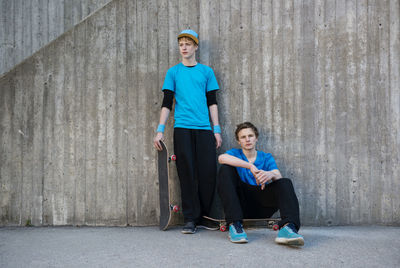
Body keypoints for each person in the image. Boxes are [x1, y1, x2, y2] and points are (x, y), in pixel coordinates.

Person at [153, 29, 222, 234]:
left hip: (204, 129)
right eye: (181, 44)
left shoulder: (206, 72)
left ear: (196, 47)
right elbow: (167, 103)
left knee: (208, 173)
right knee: (187, 173)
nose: (184, 47)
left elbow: (212, 102)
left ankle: (205, 216)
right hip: (182, 128)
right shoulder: (173, 72)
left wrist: (216, 130)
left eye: (188, 44)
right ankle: (190, 219)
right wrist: (160, 130)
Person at [217, 122, 304, 245]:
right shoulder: (235, 154)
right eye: (243, 137)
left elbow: (278, 176)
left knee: (285, 182)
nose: (247, 139)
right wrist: (250, 166)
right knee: (225, 169)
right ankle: (235, 225)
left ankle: (288, 228)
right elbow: (221, 158)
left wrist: (270, 174)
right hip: (239, 206)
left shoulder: (266, 157)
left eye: (250, 136)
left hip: (262, 205)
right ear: (238, 141)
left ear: (256, 138)